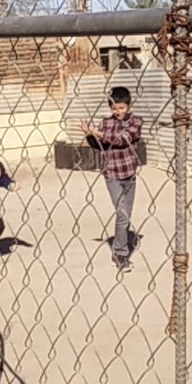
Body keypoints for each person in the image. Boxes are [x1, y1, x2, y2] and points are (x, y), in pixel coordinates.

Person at [81, 86, 144, 272]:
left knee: (126, 214)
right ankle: (120, 253)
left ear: (129, 105)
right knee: (122, 214)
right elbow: (99, 145)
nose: (118, 112)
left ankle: (120, 244)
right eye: (114, 108)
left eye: (122, 108)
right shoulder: (106, 123)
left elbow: (122, 139)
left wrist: (98, 133)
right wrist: (89, 134)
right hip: (112, 174)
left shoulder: (135, 121)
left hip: (129, 173)